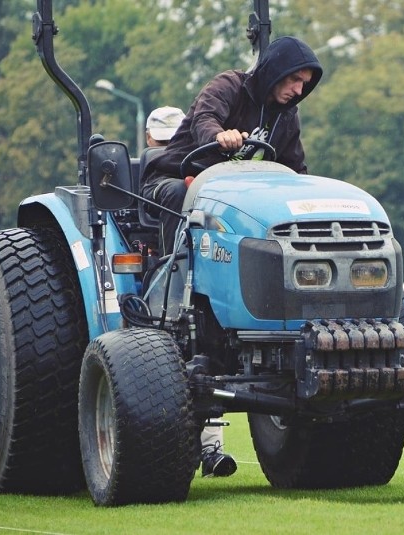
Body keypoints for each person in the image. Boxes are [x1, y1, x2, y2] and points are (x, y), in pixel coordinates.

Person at [141, 36, 323, 255]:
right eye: (295, 79)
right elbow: (205, 118)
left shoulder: (287, 116)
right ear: (276, 71)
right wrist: (218, 136)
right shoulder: (229, 86)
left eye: (304, 83)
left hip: (231, 192)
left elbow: (294, 167)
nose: (298, 91)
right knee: (180, 192)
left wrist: (309, 202)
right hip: (172, 178)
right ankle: (173, 271)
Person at [144, 105, 240, 478]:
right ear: (150, 140)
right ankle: (175, 269)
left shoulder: (205, 160)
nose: (166, 144)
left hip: (210, 252)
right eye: (162, 140)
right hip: (167, 248)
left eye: (173, 138)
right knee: (192, 357)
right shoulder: (157, 171)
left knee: (208, 356)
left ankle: (212, 450)